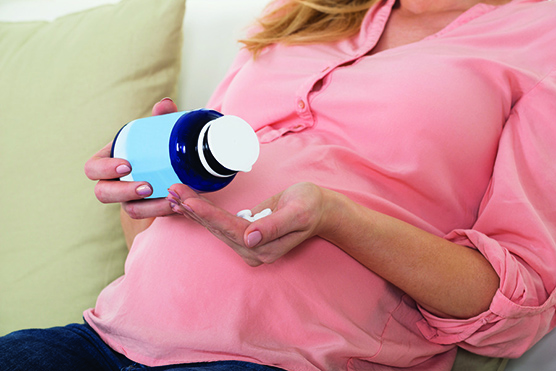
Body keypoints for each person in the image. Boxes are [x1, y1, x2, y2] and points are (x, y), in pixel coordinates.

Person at [1, 0, 556, 370]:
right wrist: (144, 180)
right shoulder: (301, 12)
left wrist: (337, 218)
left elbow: (515, 311)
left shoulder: (541, 39)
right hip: (104, 337)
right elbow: (167, 219)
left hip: (281, 361)